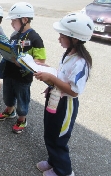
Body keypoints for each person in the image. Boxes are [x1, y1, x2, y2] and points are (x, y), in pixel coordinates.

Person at [34, 13, 94, 176]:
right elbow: (62, 76)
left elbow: (74, 90)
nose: (59, 38)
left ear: (75, 38)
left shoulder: (81, 62)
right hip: (54, 99)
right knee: (50, 133)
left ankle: (64, 171)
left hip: (65, 105)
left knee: (59, 138)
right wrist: (46, 69)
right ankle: (53, 161)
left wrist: (51, 78)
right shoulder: (69, 53)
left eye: (62, 35)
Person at [0, 2, 46, 134]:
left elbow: (40, 60)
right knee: (8, 94)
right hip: (9, 72)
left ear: (24, 20)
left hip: (23, 76)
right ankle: (9, 111)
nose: (12, 24)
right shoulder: (14, 35)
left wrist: (23, 62)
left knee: (22, 97)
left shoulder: (35, 38)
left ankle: (22, 119)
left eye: (14, 21)